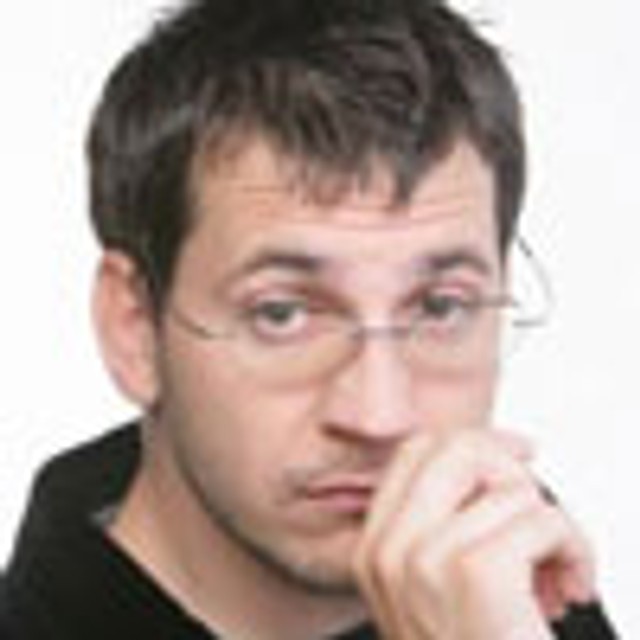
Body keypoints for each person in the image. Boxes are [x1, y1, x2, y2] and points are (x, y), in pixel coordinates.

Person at [0, 0, 619, 638]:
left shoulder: (518, 591)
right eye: (282, 314)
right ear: (134, 328)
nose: (380, 417)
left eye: (440, 306)